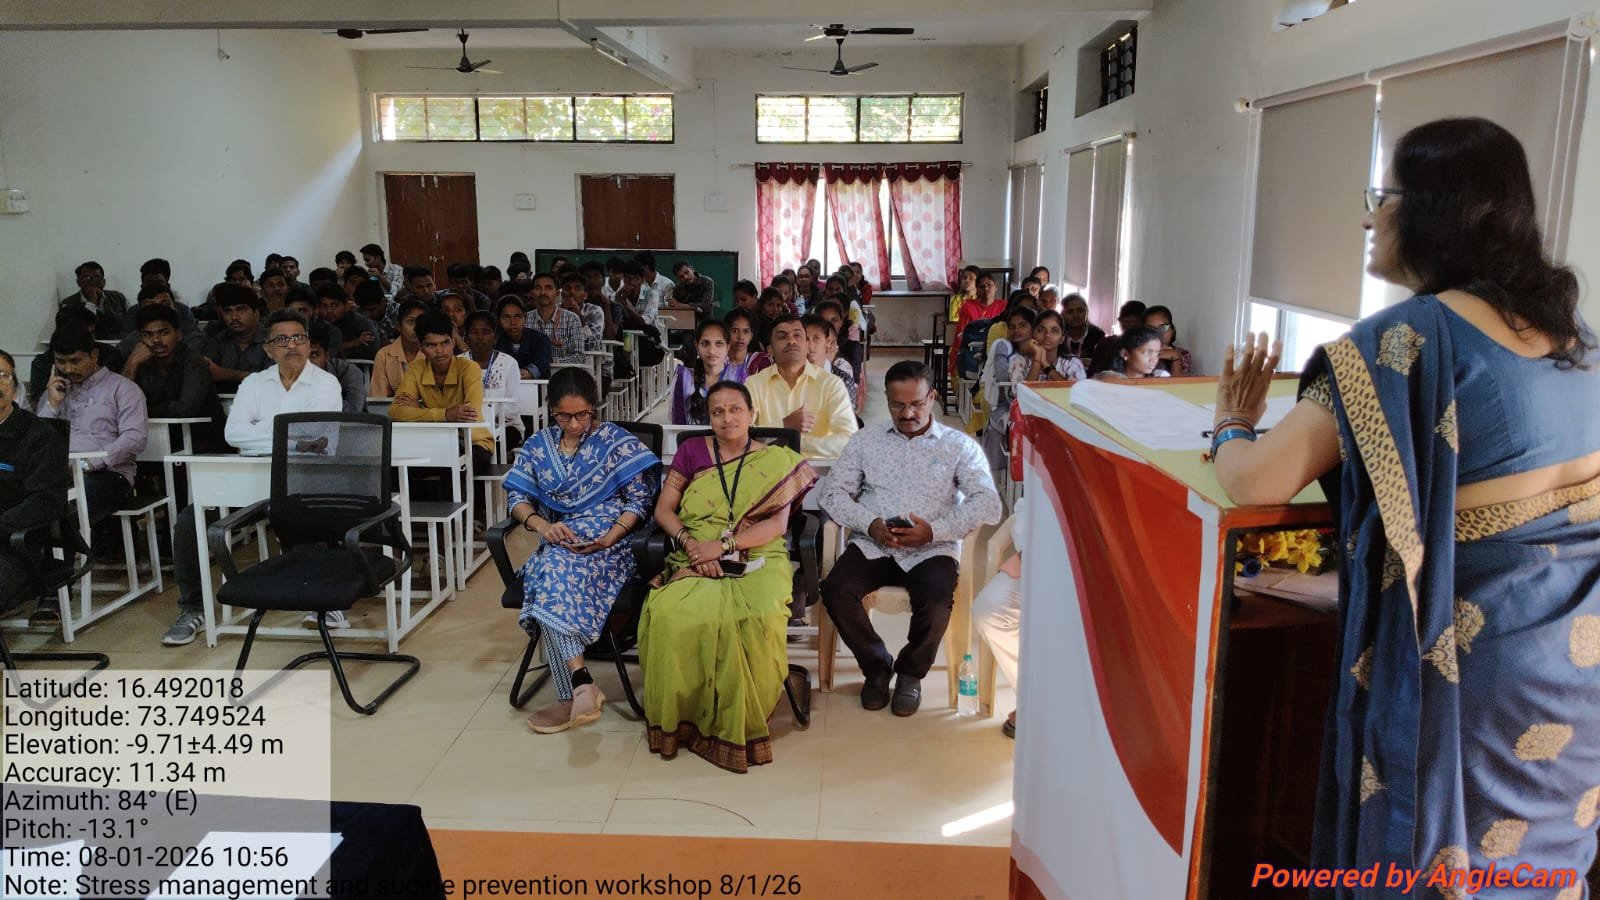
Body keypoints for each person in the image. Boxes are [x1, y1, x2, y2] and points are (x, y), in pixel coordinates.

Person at [1213, 117, 1600, 897]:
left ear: (1434, 209)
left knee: (1444, 865)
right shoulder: (1574, 336)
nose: (1370, 216)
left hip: (1474, 672)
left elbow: (1256, 483)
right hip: (1575, 662)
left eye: (1383, 195)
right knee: (1543, 862)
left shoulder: (1407, 340)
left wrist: (1231, 422)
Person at [641, 381, 817, 772]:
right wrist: (693, 546)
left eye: (735, 409)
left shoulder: (777, 461)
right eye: (717, 412)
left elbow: (777, 526)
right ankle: (685, 720)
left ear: (752, 414)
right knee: (671, 613)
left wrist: (722, 547)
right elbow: (664, 511)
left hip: (759, 555)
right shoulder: (691, 451)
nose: (727, 418)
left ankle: (742, 719)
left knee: (754, 617)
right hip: (695, 550)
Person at [819, 361, 1001, 716]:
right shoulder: (866, 441)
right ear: (887, 400)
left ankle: (910, 673)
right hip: (874, 543)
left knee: (935, 601)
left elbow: (988, 503)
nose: (907, 414)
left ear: (932, 397)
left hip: (931, 547)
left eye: (916, 404)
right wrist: (870, 523)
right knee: (836, 590)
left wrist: (934, 531)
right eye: (897, 405)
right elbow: (833, 493)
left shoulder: (957, 446)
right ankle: (876, 666)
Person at [162, 309, 344, 646]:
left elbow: (319, 440)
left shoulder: (326, 383)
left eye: (299, 338)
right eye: (282, 339)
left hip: (303, 478)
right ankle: (192, 608)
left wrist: (263, 431)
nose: (292, 345)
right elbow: (234, 434)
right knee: (189, 522)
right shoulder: (253, 383)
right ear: (268, 349)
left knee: (306, 518)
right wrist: (293, 435)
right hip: (249, 479)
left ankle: (324, 601)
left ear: (308, 344)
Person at [504, 368, 658, 733]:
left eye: (583, 415)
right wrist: (541, 525)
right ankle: (580, 683)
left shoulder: (616, 441)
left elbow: (640, 500)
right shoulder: (538, 445)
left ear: (595, 408)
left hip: (611, 546)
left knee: (544, 575)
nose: (574, 424)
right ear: (551, 411)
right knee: (552, 568)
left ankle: (571, 693)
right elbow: (517, 498)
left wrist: (610, 537)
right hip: (560, 540)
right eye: (564, 416)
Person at [36, 326, 147, 531]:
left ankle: (58, 549)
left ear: (94, 355)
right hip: (59, 475)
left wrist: (87, 464)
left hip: (108, 475)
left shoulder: (123, 389)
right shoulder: (55, 392)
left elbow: (134, 438)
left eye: (75, 361)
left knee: (65, 511)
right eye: (61, 361)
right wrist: (52, 404)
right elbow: (37, 441)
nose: (68, 369)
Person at [0, 349, 70, 611]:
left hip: (15, 545)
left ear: (15, 389)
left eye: (3, 375)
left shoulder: (39, 436)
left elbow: (45, 501)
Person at [390, 311, 494, 472]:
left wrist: (420, 411)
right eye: (431, 345)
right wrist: (446, 414)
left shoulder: (469, 368)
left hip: (473, 442)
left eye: (445, 343)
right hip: (434, 441)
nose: (440, 350)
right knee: (396, 468)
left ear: (453, 342)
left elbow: (470, 414)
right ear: (421, 348)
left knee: (453, 468)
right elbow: (396, 411)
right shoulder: (416, 369)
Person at [745, 314, 858, 458]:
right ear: (770, 350)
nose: (791, 341)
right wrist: (785, 424)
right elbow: (742, 434)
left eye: (797, 336)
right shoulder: (754, 384)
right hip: (767, 469)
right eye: (782, 337)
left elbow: (850, 440)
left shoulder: (830, 384)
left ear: (806, 345)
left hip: (817, 470)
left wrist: (796, 441)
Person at [122, 304, 225, 453]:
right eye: (147, 335)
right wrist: (131, 364)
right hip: (154, 441)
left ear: (178, 334)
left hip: (201, 440)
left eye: (163, 333)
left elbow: (185, 409)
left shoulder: (194, 362)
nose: (156, 340)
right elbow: (119, 405)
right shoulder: (139, 362)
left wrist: (140, 409)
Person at [973, 497, 1025, 738]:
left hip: (1095, 562)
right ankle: (1033, 696)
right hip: (1034, 559)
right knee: (990, 610)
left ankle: (1061, 702)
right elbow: (1025, 509)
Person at [671, 320, 747, 426]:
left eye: (719, 344)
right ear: (696, 345)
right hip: (690, 436)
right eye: (705, 343)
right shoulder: (683, 378)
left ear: (728, 346)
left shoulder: (739, 376)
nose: (712, 351)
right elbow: (677, 423)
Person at [199, 283, 271, 393]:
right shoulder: (219, 339)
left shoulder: (272, 340)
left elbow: (273, 380)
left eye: (241, 309)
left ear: (256, 314)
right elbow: (207, 372)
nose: (234, 317)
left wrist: (225, 374)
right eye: (228, 311)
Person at [55, 260, 129, 338]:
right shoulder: (69, 304)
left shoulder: (118, 298)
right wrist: (91, 302)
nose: (92, 280)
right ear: (78, 282)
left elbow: (128, 326)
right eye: (86, 277)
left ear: (103, 282)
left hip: (117, 343)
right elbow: (71, 332)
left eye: (97, 277)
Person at [306, 321, 369, 413]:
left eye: (314, 355)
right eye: (302, 356)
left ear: (327, 355)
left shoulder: (350, 372)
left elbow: (353, 413)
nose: (308, 362)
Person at [526, 272, 587, 367]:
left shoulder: (571, 319)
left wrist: (550, 362)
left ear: (557, 293)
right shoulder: (525, 319)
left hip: (562, 373)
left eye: (548, 288)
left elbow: (579, 357)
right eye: (538, 288)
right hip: (531, 373)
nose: (543, 293)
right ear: (532, 293)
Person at [369, 299, 427, 398]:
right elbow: (378, 396)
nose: (417, 328)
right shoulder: (384, 355)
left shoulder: (434, 352)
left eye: (421, 322)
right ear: (399, 326)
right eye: (410, 322)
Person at [1010, 310, 1086, 383]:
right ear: (1033, 335)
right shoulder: (1019, 361)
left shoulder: (1072, 363)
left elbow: (1075, 391)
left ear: (1062, 339)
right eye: (1041, 330)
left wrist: (1046, 365)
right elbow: (1023, 391)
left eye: (1054, 331)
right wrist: (1037, 358)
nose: (1047, 335)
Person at [316, 282, 379, 362]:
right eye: (324, 306)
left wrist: (339, 354)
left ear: (345, 306)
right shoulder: (314, 324)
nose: (329, 311)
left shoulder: (361, 322)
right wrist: (352, 344)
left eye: (334, 305)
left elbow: (372, 350)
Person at [803, 315, 856, 407]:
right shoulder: (791, 375)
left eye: (816, 338)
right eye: (805, 339)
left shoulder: (842, 379)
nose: (810, 345)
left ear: (827, 342)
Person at [495, 297, 553, 380]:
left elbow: (542, 363)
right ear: (499, 320)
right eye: (507, 317)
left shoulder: (540, 339)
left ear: (525, 318)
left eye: (518, 317)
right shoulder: (494, 341)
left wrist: (530, 372)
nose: (513, 322)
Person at [1089, 300, 1150, 375]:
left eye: (1133, 325)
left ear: (1143, 324)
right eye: (1125, 324)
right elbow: (1093, 373)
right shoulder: (1106, 343)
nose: (1129, 329)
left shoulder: (1149, 347)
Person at [1094, 326, 1170, 380]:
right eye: (1147, 353)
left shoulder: (1161, 378)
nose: (1154, 360)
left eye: (1157, 354)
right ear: (1125, 354)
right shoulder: (1109, 380)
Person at [1143, 305, 1192, 375]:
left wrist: (1175, 358)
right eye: (1151, 329)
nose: (1158, 333)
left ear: (1173, 330)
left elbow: (1178, 381)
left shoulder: (1182, 354)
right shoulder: (1135, 353)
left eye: (1164, 328)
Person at [1059, 293, 1105, 368]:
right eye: (1070, 311)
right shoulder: (1058, 334)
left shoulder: (1098, 335)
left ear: (1087, 311)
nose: (1075, 315)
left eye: (1080, 310)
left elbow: (1102, 364)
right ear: (1062, 314)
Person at [725, 308, 770, 376]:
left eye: (746, 331)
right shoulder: (717, 360)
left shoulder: (761, 362)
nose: (740, 337)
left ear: (751, 335)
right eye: (735, 331)